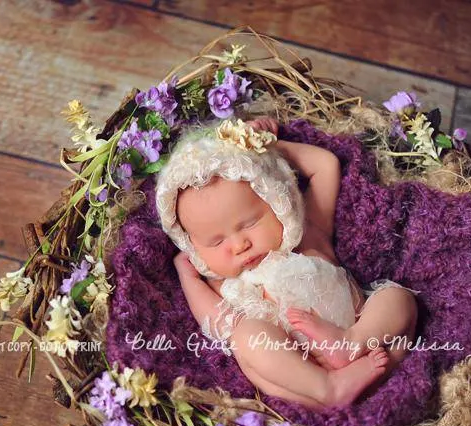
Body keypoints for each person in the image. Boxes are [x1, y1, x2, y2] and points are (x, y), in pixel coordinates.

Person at [155, 118, 418, 411]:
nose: (239, 245)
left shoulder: (308, 234)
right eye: (216, 242)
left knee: (398, 298)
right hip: (300, 377)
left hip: (367, 345)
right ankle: (328, 388)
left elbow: (325, 165)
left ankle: (352, 343)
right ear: (194, 249)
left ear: (276, 201)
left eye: (250, 222)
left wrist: (262, 147)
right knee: (245, 338)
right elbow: (213, 321)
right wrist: (187, 274)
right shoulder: (226, 285)